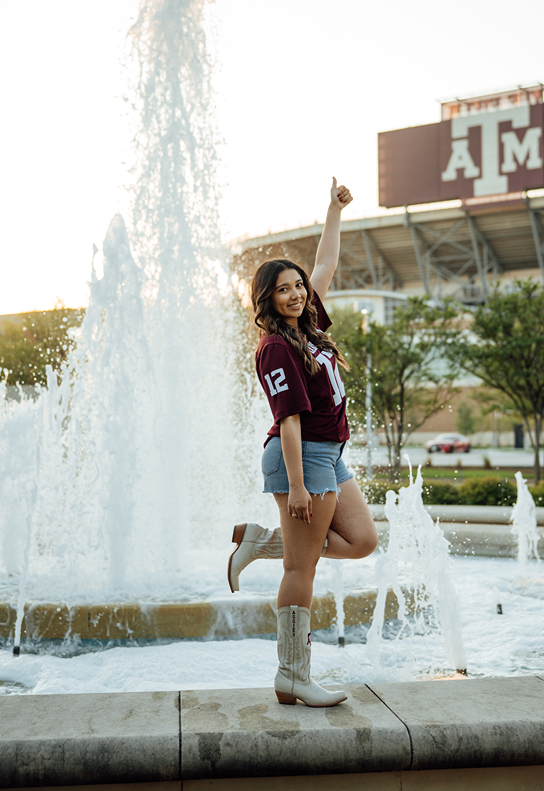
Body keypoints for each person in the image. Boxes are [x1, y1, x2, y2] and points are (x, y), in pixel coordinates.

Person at [228, 178, 378, 708]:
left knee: (363, 540)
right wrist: (295, 485)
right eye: (284, 289)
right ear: (266, 299)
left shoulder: (309, 327)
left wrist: (332, 211)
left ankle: (262, 541)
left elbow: (327, 265)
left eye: (298, 285)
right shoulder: (274, 347)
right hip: (302, 457)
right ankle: (292, 673)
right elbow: (288, 420)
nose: (296, 292)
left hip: (329, 455)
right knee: (302, 568)